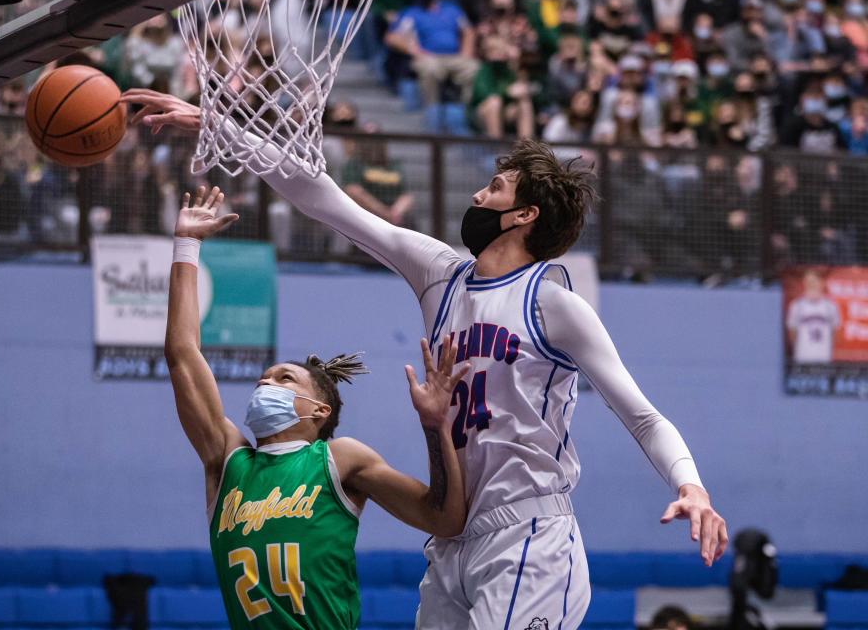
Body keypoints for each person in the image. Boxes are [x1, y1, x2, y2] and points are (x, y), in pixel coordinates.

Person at [122, 89, 728, 630]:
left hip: (528, 534)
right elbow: (325, 199)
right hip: (453, 535)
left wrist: (691, 486)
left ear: (523, 216)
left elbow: (643, 417)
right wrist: (218, 126)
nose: (476, 193)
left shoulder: (554, 303)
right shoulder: (440, 275)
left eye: (494, 188)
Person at [165, 185, 471, 627]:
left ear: (318, 410)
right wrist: (186, 246)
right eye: (263, 378)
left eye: (283, 378)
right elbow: (182, 354)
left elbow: (443, 519)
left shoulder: (338, 459)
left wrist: (435, 425)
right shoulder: (227, 460)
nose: (264, 383)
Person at [786, 268, 840, 363]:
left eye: (814, 281)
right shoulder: (797, 305)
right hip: (803, 357)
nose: (811, 284)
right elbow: (792, 333)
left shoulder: (830, 306)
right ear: (804, 284)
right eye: (808, 282)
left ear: (820, 282)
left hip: (823, 358)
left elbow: (835, 332)